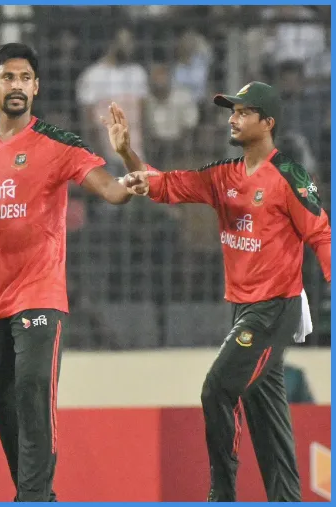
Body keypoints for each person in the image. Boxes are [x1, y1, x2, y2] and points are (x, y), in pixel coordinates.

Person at [112, 81, 331, 502]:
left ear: (268, 123)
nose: (233, 118)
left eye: (244, 112)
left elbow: (321, 234)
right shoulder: (223, 175)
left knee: (217, 388)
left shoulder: (289, 175)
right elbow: (165, 185)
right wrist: (126, 153)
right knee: (266, 411)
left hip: (274, 307)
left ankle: (223, 493)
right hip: (243, 308)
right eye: (233, 111)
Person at [0, 42, 134, 502]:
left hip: (39, 294)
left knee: (32, 387)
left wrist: (128, 157)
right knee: (3, 404)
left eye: (25, 78)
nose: (17, 85)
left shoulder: (58, 143)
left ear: (37, 87)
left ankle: (32, 498)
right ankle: (36, 496)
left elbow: (114, 192)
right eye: (7, 77)